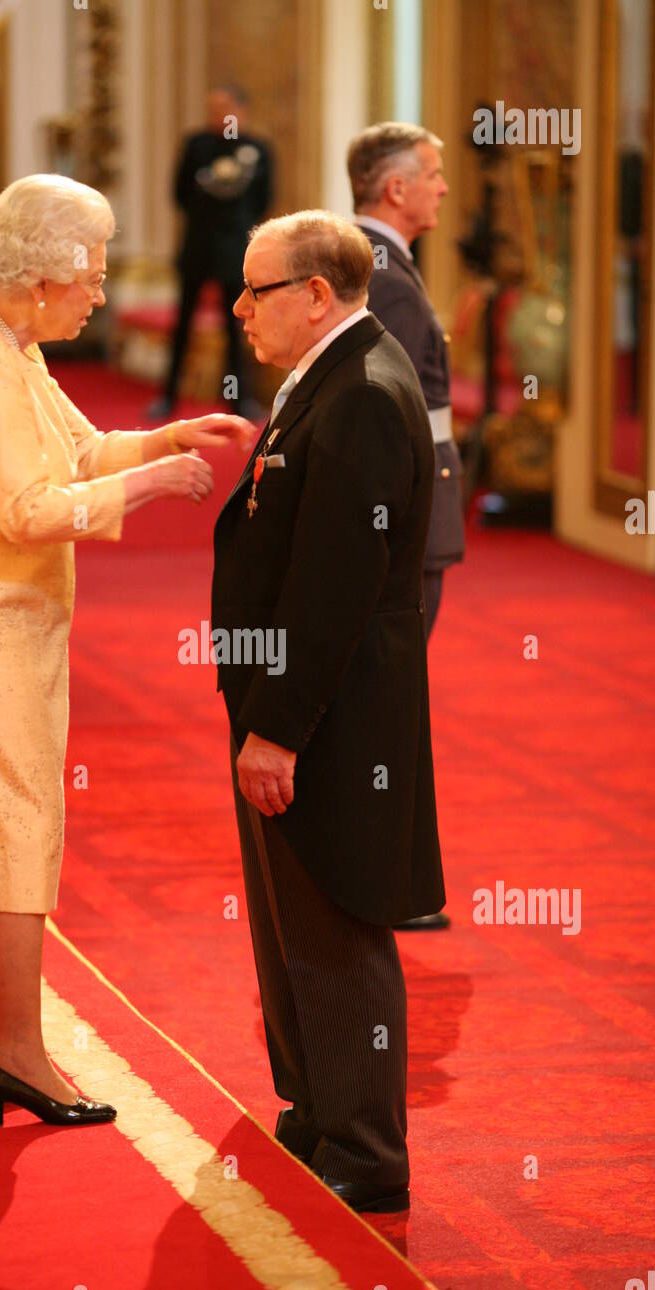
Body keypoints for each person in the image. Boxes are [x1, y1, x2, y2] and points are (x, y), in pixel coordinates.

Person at [0, 174, 254, 1128]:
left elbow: (72, 453)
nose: (104, 294)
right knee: (11, 824)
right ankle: (21, 1055)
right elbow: (29, 510)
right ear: (45, 277)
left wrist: (165, 434)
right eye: (95, 275)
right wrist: (159, 482)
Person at [212, 211, 445, 1212]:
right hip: (296, 700)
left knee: (335, 920)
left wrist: (277, 725)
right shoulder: (329, 373)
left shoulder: (355, 391)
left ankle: (365, 1149)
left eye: (254, 290)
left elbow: (330, 588)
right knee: (287, 919)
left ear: (314, 295)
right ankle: (313, 1108)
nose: (236, 308)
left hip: (331, 718)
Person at [348, 121, 465, 932]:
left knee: (387, 701)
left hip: (415, 517)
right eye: (431, 174)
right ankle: (373, 885)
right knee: (383, 707)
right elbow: (387, 421)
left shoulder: (381, 262)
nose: (442, 188)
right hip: (410, 523)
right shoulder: (383, 272)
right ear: (395, 188)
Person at [148, 84, 273, 420]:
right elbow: (179, 194)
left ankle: (238, 399)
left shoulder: (258, 149)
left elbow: (262, 202)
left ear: (241, 111)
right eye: (212, 107)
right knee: (183, 326)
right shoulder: (197, 145)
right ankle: (169, 396)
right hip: (198, 248)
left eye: (223, 107)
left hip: (235, 253)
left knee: (236, 329)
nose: (217, 114)